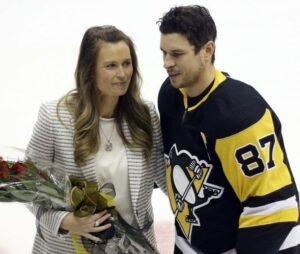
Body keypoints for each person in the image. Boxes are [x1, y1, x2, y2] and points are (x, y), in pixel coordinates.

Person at [157, 5, 299, 254]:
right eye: (164, 53)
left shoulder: (238, 115)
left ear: (207, 50)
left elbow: (272, 210)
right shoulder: (170, 95)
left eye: (177, 54)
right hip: (193, 241)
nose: (167, 63)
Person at [25, 25, 166, 254]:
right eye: (111, 65)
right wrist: (66, 220)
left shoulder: (145, 115)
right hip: (68, 247)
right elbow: (29, 185)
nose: (122, 74)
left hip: (134, 248)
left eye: (127, 63)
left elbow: (166, 174)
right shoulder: (54, 117)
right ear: (90, 69)